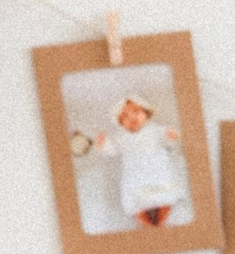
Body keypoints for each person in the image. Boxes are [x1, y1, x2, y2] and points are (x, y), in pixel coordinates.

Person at [76, 89, 188, 229]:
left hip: (157, 171)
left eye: (136, 111)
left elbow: (168, 142)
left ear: (147, 113)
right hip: (134, 176)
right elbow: (112, 150)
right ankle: (147, 223)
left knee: (165, 196)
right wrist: (103, 145)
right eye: (125, 116)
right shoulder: (121, 137)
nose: (131, 117)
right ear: (120, 123)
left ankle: (160, 221)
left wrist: (172, 137)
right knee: (135, 202)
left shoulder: (156, 130)